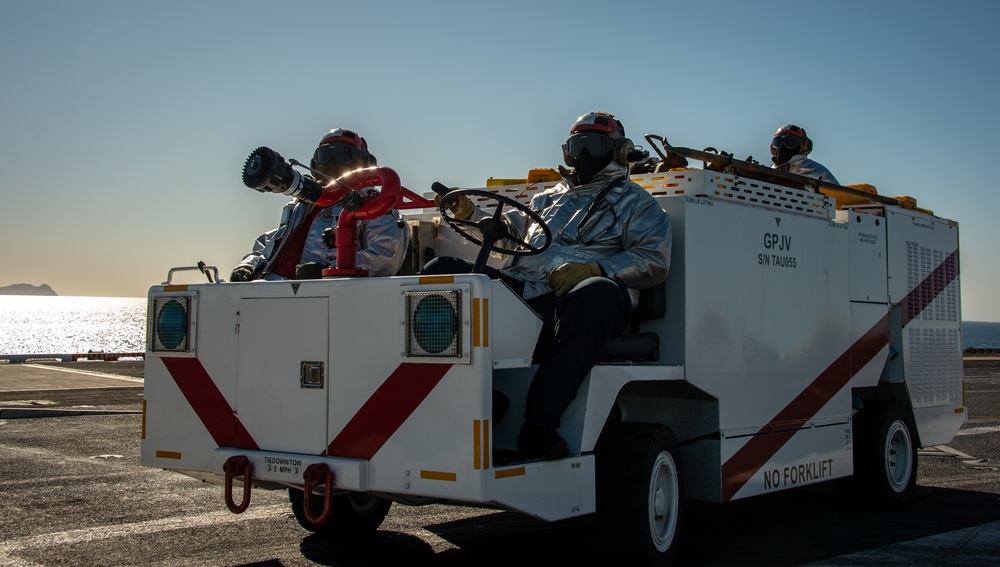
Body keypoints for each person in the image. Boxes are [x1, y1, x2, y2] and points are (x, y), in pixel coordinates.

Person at [424, 111, 671, 459]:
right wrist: (470, 214)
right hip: (526, 295)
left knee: (597, 294)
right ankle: (472, 398)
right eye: (577, 145)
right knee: (441, 270)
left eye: (595, 144)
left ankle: (540, 425)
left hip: (576, 306)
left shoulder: (637, 202)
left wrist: (595, 268)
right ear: (566, 151)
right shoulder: (547, 197)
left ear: (618, 149)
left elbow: (654, 259)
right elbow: (511, 235)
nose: (585, 154)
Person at [230, 128, 410, 281]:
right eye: (325, 157)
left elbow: (385, 256)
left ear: (365, 163)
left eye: (342, 156)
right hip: (268, 288)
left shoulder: (374, 207)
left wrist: (326, 271)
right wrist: (247, 266)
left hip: (318, 297)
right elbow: (269, 243)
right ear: (314, 163)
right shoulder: (300, 205)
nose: (333, 164)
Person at [770, 123, 840, 186]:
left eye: (789, 142)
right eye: (778, 142)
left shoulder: (819, 172)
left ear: (804, 146)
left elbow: (838, 197)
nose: (783, 147)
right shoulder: (768, 173)